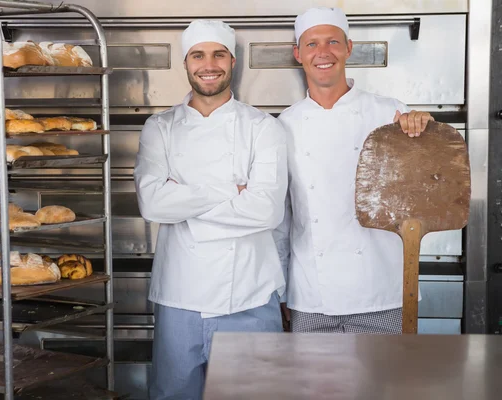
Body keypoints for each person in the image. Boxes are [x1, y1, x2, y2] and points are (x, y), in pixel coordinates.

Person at [134, 19, 288, 400]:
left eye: (219, 54)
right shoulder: (160, 127)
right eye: (198, 55)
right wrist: (231, 190)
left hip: (250, 294)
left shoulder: (263, 127)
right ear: (185, 63)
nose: (209, 64)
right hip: (179, 296)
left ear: (232, 61)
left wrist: (183, 200)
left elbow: (266, 210)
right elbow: (152, 203)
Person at [274, 7, 434, 334]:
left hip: (383, 291)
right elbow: (281, 219)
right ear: (298, 54)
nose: (323, 53)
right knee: (314, 386)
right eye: (312, 44)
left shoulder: (391, 113)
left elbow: (429, 187)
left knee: (385, 385)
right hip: (310, 295)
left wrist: (426, 132)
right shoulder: (283, 125)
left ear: (348, 48)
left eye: (333, 42)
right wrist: (280, 290)